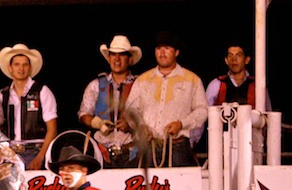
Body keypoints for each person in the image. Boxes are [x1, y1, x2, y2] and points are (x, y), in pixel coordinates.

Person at [125, 31, 207, 167]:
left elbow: (203, 110)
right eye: (158, 48)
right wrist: (140, 126)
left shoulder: (192, 79)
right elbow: (130, 110)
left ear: (176, 52)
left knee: (182, 186)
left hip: (178, 146)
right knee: (147, 186)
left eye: (167, 48)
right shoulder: (143, 80)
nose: (162, 52)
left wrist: (181, 124)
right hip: (149, 146)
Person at [78, 35, 141, 168]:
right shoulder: (95, 86)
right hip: (102, 152)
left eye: (122, 55)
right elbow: (83, 114)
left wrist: (131, 125)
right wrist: (98, 123)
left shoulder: (141, 85)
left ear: (129, 59)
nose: (117, 59)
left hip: (132, 152)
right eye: (113, 55)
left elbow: (151, 117)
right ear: (108, 58)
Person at [0, 43, 57, 170]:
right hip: (10, 153)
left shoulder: (42, 91)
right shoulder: (3, 94)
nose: (21, 68)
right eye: (17, 64)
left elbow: (52, 129)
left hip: (36, 150)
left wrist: (41, 157)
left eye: (25, 64)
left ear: (30, 67)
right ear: (10, 67)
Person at [205, 43, 272, 109]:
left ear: (247, 60)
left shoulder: (257, 85)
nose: (234, 59)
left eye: (238, 55)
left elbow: (267, 114)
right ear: (226, 60)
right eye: (230, 55)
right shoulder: (216, 84)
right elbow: (204, 112)